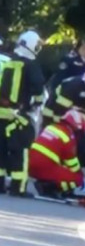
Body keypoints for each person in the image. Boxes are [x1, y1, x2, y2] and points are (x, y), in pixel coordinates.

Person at [0, 30, 45, 196]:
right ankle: (18, 188)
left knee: (1, 152)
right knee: (20, 152)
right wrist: (36, 103)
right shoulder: (31, 65)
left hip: (2, 115)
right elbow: (38, 88)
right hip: (19, 116)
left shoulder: (10, 62)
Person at [29, 109, 85, 198]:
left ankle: (45, 183)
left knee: (57, 168)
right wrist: (80, 175)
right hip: (44, 167)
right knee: (77, 178)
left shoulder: (51, 127)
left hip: (30, 165)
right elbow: (71, 162)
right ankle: (49, 188)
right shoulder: (68, 136)